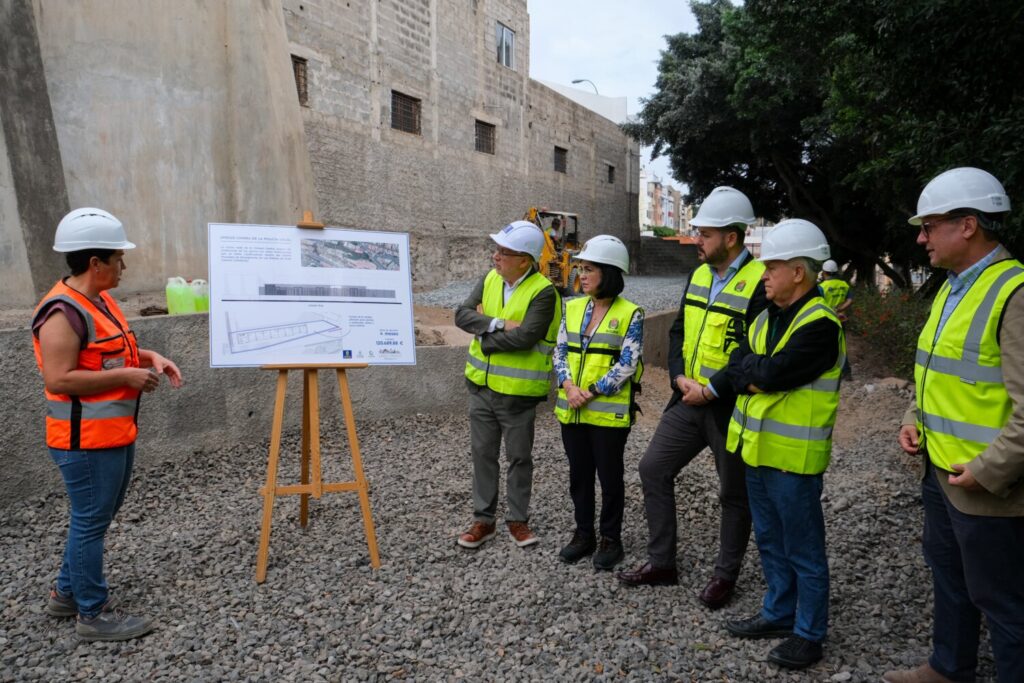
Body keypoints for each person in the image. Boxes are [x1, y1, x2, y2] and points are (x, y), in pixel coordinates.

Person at [885, 168, 1024, 683]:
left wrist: (990, 470)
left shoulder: (1014, 292)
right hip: (940, 470)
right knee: (950, 578)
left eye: (930, 226)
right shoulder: (952, 288)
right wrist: (911, 416)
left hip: (986, 483)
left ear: (968, 225)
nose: (921, 237)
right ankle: (949, 668)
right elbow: (935, 370)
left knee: (1004, 602)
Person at [33, 208, 183, 642]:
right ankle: (91, 614)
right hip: (84, 442)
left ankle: (65, 593)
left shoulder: (97, 301)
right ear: (95, 263)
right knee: (91, 521)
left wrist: (150, 358)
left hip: (111, 434)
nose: (125, 265)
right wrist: (125, 377)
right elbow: (58, 378)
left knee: (94, 517)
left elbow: (111, 351)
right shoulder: (61, 312)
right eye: (119, 258)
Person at [617, 186, 768, 610]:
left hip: (729, 404)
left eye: (704, 233)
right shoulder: (698, 274)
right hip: (687, 398)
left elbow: (752, 352)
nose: (697, 240)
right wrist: (680, 376)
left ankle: (725, 576)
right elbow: (681, 330)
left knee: (733, 493)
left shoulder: (760, 282)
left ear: (731, 238)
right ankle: (662, 562)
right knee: (652, 469)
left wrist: (713, 389)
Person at [722, 219, 842, 670]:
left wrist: (756, 373)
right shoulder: (767, 316)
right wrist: (753, 374)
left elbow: (769, 374)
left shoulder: (820, 324)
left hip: (794, 461)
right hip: (757, 452)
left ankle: (809, 634)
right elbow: (740, 366)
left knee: (804, 550)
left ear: (799, 272)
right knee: (770, 540)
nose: (764, 275)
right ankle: (778, 613)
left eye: (772, 267)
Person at [454, 220, 560, 549]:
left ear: (525, 260)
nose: (495, 256)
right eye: (497, 250)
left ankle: (518, 520)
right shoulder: (489, 278)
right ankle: (483, 521)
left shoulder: (544, 292)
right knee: (483, 455)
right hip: (481, 388)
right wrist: (498, 323)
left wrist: (485, 339)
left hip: (517, 396)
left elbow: (527, 337)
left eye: (503, 252)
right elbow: (461, 315)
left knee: (518, 458)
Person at [553, 236, 643, 570]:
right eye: (581, 268)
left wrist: (587, 391)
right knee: (579, 476)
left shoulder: (631, 313)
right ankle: (583, 534)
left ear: (609, 272)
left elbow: (627, 363)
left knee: (609, 478)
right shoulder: (573, 307)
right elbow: (559, 350)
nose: (582, 274)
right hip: (572, 410)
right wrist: (567, 384)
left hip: (606, 415)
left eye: (589, 269)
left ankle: (611, 539)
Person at [819, 259, 853, 379]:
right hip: (841, 318)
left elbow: (818, 304)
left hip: (826, 320)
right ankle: (846, 372)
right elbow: (850, 300)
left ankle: (827, 371)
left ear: (824, 272)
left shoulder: (822, 287)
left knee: (825, 345)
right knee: (841, 345)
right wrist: (839, 309)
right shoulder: (844, 285)